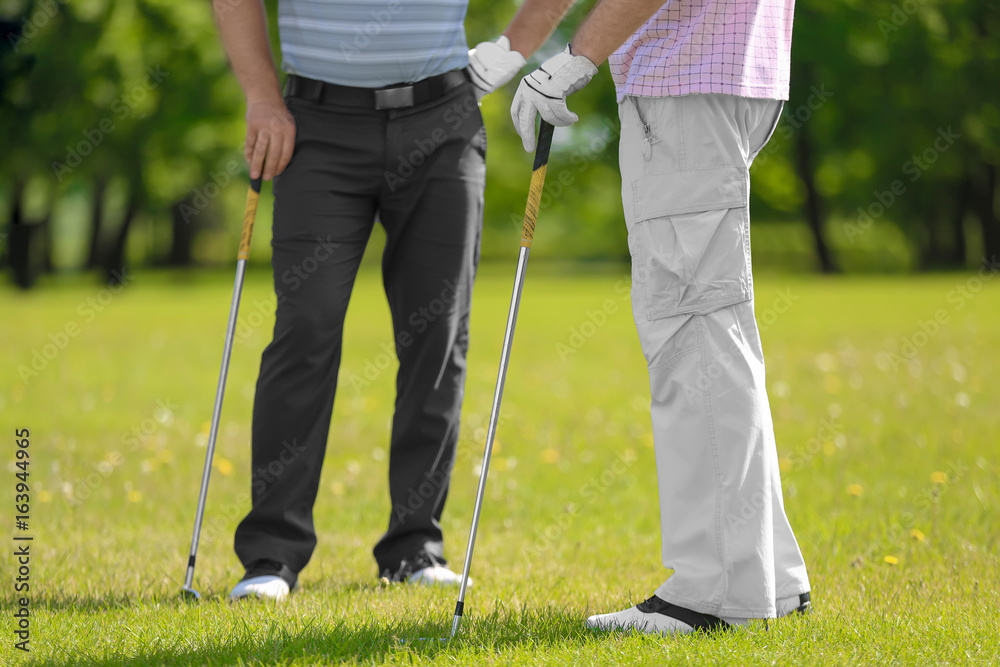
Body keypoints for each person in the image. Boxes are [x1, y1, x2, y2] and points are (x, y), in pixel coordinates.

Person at [498, 0, 812, 633]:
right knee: (717, 329)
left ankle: (715, 593)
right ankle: (766, 578)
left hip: (684, 82)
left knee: (694, 335)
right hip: (726, 79)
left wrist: (575, 59)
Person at [211, 0, 527, 600]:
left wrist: (510, 51)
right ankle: (271, 557)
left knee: (436, 334)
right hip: (316, 128)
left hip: (444, 125)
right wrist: (261, 96)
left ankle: (414, 549)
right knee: (306, 326)